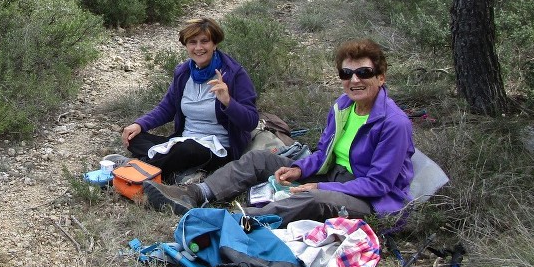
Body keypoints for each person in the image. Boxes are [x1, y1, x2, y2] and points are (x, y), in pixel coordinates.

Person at [143, 38, 414, 227]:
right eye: (347, 73)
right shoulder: (343, 106)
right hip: (333, 172)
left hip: (365, 195)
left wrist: (318, 185)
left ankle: (239, 220)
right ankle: (196, 194)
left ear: (381, 76)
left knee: (310, 197)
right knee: (258, 159)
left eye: (364, 72)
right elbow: (324, 153)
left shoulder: (393, 123)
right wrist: (299, 169)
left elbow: (378, 185)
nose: (354, 80)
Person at [121, 18, 259, 184]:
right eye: (192, 42)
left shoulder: (234, 74)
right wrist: (139, 125)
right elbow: (167, 108)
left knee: (186, 150)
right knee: (132, 137)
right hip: (182, 141)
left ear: (214, 44)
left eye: (204, 41)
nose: (198, 48)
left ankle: (133, 171)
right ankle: (176, 173)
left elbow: (250, 121)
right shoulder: (184, 73)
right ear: (186, 46)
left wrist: (228, 102)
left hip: (217, 149)